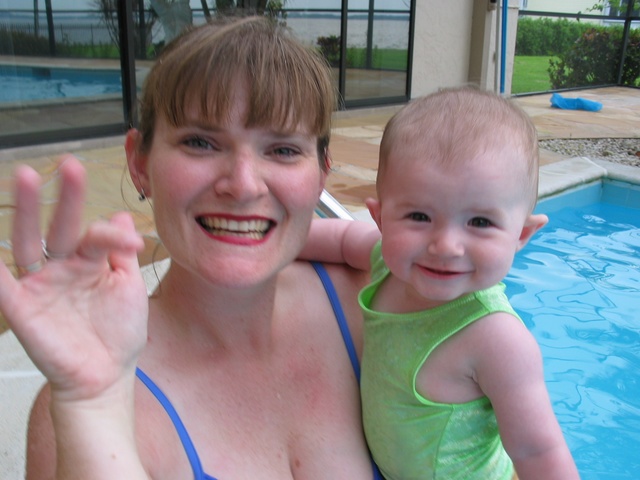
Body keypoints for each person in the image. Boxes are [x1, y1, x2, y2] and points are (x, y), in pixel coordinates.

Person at [0, 17, 383, 480]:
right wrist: (92, 405)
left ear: (321, 171)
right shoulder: (94, 392)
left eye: (282, 150)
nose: (242, 185)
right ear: (139, 164)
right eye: (200, 143)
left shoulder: (373, 306)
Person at [300, 87, 580, 479]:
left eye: (479, 222)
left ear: (521, 235)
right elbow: (342, 241)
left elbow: (539, 452)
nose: (445, 246)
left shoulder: (497, 340)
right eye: (418, 216)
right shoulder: (387, 262)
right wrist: (274, 243)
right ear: (380, 219)